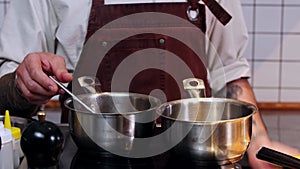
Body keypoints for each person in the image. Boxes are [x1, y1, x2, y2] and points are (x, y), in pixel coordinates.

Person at [0, 0, 298, 168]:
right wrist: (22, 82)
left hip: (198, 163)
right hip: (92, 161)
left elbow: (230, 75)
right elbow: (7, 87)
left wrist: (259, 144)